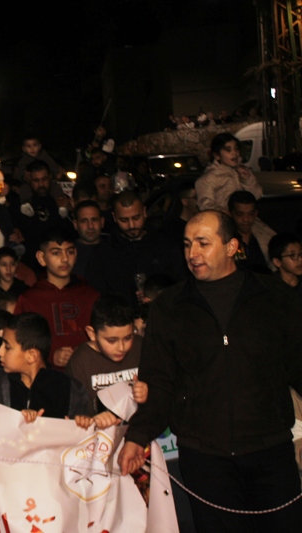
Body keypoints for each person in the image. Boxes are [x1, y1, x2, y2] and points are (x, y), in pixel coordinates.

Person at [118, 210, 302, 531]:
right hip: (204, 458)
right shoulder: (169, 307)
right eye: (187, 244)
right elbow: (158, 381)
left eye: (203, 243)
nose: (192, 253)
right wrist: (137, 436)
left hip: (270, 452)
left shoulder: (274, 296)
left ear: (231, 247)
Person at [0, 313, 93, 422]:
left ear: (31, 356)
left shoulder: (69, 389)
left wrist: (81, 424)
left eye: (7, 347)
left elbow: (80, 434)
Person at [15, 227, 99, 370]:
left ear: (76, 254)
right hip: (47, 376)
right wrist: (49, 356)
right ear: (41, 258)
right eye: (56, 253)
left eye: (70, 252)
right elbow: (18, 345)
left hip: (89, 372)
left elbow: (105, 336)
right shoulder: (29, 299)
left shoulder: (90, 295)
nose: (65, 259)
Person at [196, 133, 275, 258]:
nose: (234, 153)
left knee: (271, 247)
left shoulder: (241, 171)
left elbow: (256, 195)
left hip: (248, 223)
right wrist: (226, 213)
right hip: (225, 227)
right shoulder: (209, 178)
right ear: (217, 155)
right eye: (228, 150)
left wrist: (246, 179)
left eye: (236, 149)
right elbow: (205, 204)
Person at [65, 295, 144, 413]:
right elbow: (76, 413)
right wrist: (96, 418)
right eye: (112, 341)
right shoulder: (80, 362)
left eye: (128, 338)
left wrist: (148, 392)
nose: (121, 348)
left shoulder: (141, 347)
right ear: (92, 334)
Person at [228, 190, 272, 273]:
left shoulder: (266, 239)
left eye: (250, 214)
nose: (246, 219)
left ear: (255, 214)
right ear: (230, 214)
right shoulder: (225, 241)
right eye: (240, 214)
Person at [72, 200, 106, 279]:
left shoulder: (115, 250)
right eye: (84, 221)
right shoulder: (68, 254)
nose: (90, 226)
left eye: (94, 220)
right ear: (75, 224)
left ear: (102, 222)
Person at [269, 233, 302, 297]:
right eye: (293, 255)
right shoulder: (271, 287)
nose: (300, 259)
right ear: (277, 262)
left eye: (301, 253)